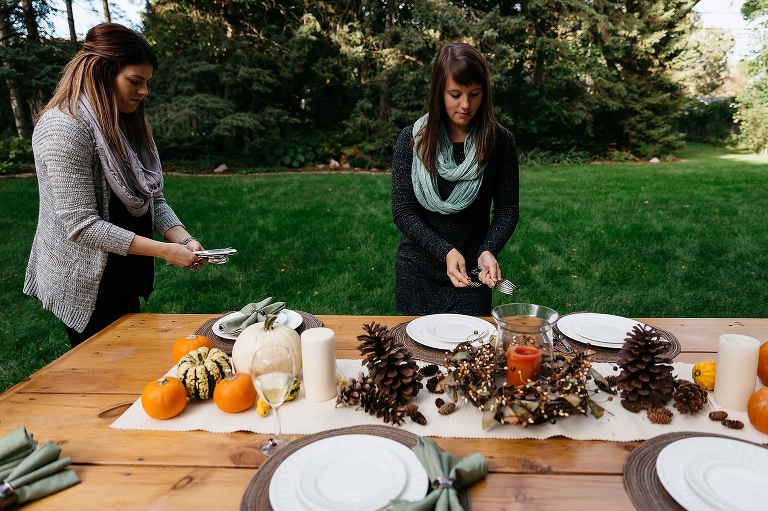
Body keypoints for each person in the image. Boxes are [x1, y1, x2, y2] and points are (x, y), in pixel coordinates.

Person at [24, 23, 204, 348]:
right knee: (104, 373)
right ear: (101, 73)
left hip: (123, 268)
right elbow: (82, 226)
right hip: (84, 280)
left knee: (131, 360)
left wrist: (185, 239)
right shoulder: (64, 129)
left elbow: (152, 198)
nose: (144, 91)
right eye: (135, 81)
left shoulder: (124, 122)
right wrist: (165, 250)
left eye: (147, 82)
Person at [391, 42, 520, 316]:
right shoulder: (413, 140)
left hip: (472, 272)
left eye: (474, 94)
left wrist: (488, 249)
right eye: (455, 94)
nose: (465, 104)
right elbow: (403, 212)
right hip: (418, 270)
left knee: (468, 351)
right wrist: (445, 251)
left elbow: (507, 210)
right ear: (439, 92)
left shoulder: (500, 142)